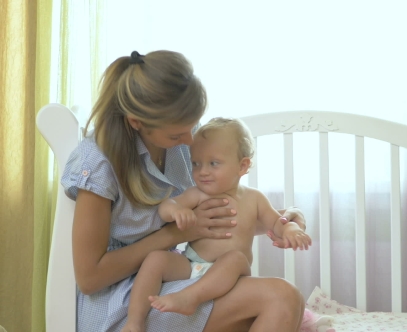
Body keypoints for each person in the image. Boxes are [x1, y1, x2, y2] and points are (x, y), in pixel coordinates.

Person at [62, 50, 307, 332]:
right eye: (177, 135)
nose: (190, 141)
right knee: (281, 298)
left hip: (175, 279)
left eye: (193, 126)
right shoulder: (99, 163)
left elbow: (220, 214)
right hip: (125, 301)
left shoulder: (182, 141)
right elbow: (90, 278)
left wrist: (283, 221)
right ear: (136, 122)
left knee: (286, 303)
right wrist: (177, 234)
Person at [121, 117, 312, 332]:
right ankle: (134, 321)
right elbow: (167, 206)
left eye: (213, 163)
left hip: (228, 275)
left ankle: (190, 298)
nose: (202, 171)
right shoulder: (197, 194)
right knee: (155, 259)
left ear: (242, 165)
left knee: (236, 258)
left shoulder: (255, 198)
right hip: (192, 264)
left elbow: (277, 223)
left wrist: (291, 228)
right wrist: (177, 211)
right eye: (196, 163)